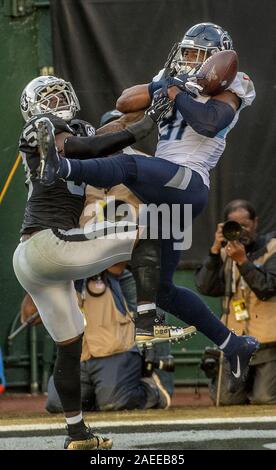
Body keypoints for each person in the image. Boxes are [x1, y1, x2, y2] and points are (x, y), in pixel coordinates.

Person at [37, 22, 259, 395]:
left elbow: (208, 122)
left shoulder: (234, 86)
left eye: (194, 55)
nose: (186, 60)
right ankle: (232, 344)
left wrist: (177, 92)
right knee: (161, 288)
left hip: (189, 183)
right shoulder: (172, 79)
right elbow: (125, 102)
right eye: (185, 52)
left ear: (215, 60)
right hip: (164, 191)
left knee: (129, 165)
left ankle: (63, 167)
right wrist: (165, 86)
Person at [13, 74, 170, 450]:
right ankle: (147, 321)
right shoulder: (43, 127)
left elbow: (105, 133)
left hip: (36, 258)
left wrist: (147, 112)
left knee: (70, 344)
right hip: (49, 244)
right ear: (33, 108)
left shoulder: (76, 131)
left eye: (58, 94)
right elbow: (83, 147)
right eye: (46, 97)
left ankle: (77, 434)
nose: (54, 102)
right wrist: (144, 126)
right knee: (145, 228)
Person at [45, 263, 172, 413]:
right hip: (79, 356)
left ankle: (151, 389)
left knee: (113, 403)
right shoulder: (61, 274)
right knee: (59, 404)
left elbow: (117, 261)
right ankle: (96, 396)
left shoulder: (115, 272)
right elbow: (28, 314)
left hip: (115, 350)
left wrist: (84, 269)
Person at [196, 199, 276, 405]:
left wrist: (243, 261)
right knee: (225, 401)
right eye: (235, 226)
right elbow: (205, 287)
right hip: (235, 341)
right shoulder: (226, 252)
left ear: (256, 223)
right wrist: (215, 251)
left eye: (245, 226)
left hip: (268, 342)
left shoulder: (272, 248)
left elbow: (267, 288)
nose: (241, 232)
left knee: (265, 398)